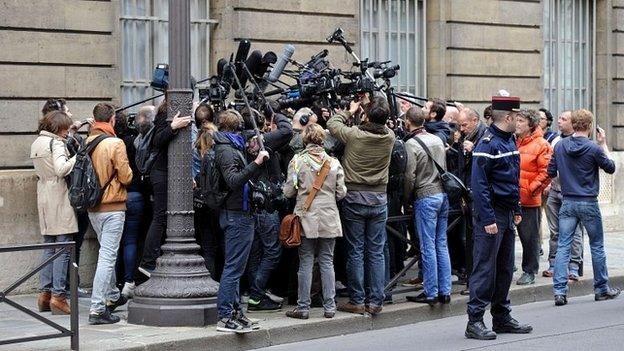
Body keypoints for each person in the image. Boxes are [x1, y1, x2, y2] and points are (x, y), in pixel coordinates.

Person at [466, 96, 533, 340]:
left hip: (505, 213)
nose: (519, 121)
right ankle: (474, 321)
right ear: (507, 117)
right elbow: (479, 186)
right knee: (485, 269)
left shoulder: (509, 141)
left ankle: (501, 317)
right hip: (492, 215)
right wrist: (487, 218)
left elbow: (512, 179)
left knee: (504, 268)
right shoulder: (488, 144)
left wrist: (516, 209)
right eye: (516, 117)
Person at [327, 96, 395, 316]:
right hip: (379, 199)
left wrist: (350, 110)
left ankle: (357, 300)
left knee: (355, 250)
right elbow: (378, 120)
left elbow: (332, 124)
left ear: (367, 115)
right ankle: (376, 300)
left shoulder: (354, 134)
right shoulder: (390, 136)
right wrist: (366, 108)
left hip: (354, 197)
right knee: (376, 252)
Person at [547, 109, 620, 306]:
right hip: (588, 201)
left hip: (568, 200)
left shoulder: (560, 146)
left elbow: (551, 171)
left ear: (574, 124)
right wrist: (603, 143)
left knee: (563, 245)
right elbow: (611, 167)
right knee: (596, 246)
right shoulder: (594, 148)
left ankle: (560, 292)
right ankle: (601, 288)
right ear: (589, 126)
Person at [283, 123, 347, 319]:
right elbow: (341, 192)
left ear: (305, 140)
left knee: (306, 262)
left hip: (306, 216)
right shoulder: (334, 163)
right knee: (327, 261)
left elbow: (288, 191)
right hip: (329, 216)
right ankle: (330, 306)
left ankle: (303, 307)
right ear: (323, 140)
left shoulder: (297, 161)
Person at [213, 109, 269, 333]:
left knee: (236, 267)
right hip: (236, 214)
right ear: (236, 128)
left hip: (239, 212)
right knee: (233, 268)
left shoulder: (232, 145)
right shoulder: (226, 149)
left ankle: (235, 312)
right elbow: (234, 180)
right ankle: (225, 316)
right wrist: (255, 162)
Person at [86, 103, 133, 325]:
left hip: (92, 206)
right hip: (112, 206)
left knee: (106, 252)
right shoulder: (115, 143)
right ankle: (97, 309)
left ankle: (112, 295)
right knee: (107, 256)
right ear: (112, 120)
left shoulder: (87, 141)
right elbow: (126, 177)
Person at [402, 108, 452, 305]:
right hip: (442, 194)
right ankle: (445, 290)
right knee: (441, 243)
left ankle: (430, 291)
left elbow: (409, 176)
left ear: (408, 122)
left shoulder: (411, 144)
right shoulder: (437, 139)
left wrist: (406, 200)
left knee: (428, 246)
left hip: (425, 196)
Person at [31, 110, 78, 314]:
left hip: (44, 194)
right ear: (58, 127)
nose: (66, 132)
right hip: (59, 195)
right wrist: (78, 157)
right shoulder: (56, 143)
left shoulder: (37, 142)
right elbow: (61, 169)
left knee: (49, 246)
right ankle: (58, 297)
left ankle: (44, 294)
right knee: (63, 248)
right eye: (65, 128)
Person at [245, 109, 292, 312]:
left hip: (250, 203)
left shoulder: (238, 140)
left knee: (255, 252)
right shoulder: (261, 141)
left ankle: (255, 293)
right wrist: (277, 113)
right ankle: (256, 294)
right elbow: (287, 131)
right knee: (272, 250)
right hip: (266, 204)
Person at [138, 99, 192, 276]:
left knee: (162, 216)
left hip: (166, 173)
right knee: (160, 216)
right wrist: (173, 127)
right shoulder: (165, 114)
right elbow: (158, 140)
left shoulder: (170, 112)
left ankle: (151, 259)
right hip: (160, 173)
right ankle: (147, 262)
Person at [542, 111, 584, 279]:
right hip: (555, 191)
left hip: (572, 194)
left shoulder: (582, 142)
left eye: (563, 119)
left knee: (574, 232)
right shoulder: (556, 141)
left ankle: (573, 267)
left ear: (573, 123)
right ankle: (554, 264)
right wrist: (548, 183)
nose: (559, 121)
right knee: (555, 231)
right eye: (559, 118)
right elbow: (550, 166)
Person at [515, 109, 552, 286]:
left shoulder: (542, 144)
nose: (517, 123)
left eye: (521, 121)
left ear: (531, 124)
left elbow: (546, 172)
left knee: (530, 238)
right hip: (511, 199)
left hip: (529, 200)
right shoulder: (514, 141)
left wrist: (531, 189)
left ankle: (529, 271)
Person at [113, 110, 144, 298]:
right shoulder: (133, 141)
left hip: (115, 196)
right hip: (134, 193)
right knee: (130, 241)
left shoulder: (107, 143)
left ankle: (116, 281)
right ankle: (129, 280)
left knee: (113, 243)